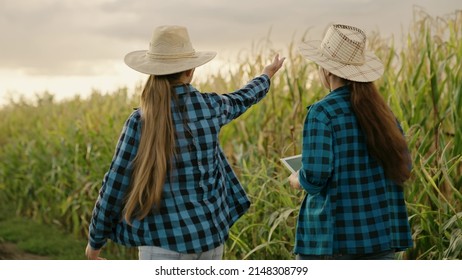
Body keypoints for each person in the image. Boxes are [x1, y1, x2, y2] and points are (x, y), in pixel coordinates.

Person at [84, 25, 284, 260]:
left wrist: (95, 242)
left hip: (163, 244)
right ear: (190, 71)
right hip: (210, 240)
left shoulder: (140, 121)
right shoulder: (210, 107)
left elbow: (114, 185)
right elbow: (243, 97)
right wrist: (266, 75)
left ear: (153, 71)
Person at [288, 24, 413, 260]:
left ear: (326, 70)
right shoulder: (384, 114)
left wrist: (297, 179)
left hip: (335, 243)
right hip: (381, 238)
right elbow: (404, 169)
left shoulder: (322, 113)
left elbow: (315, 177)